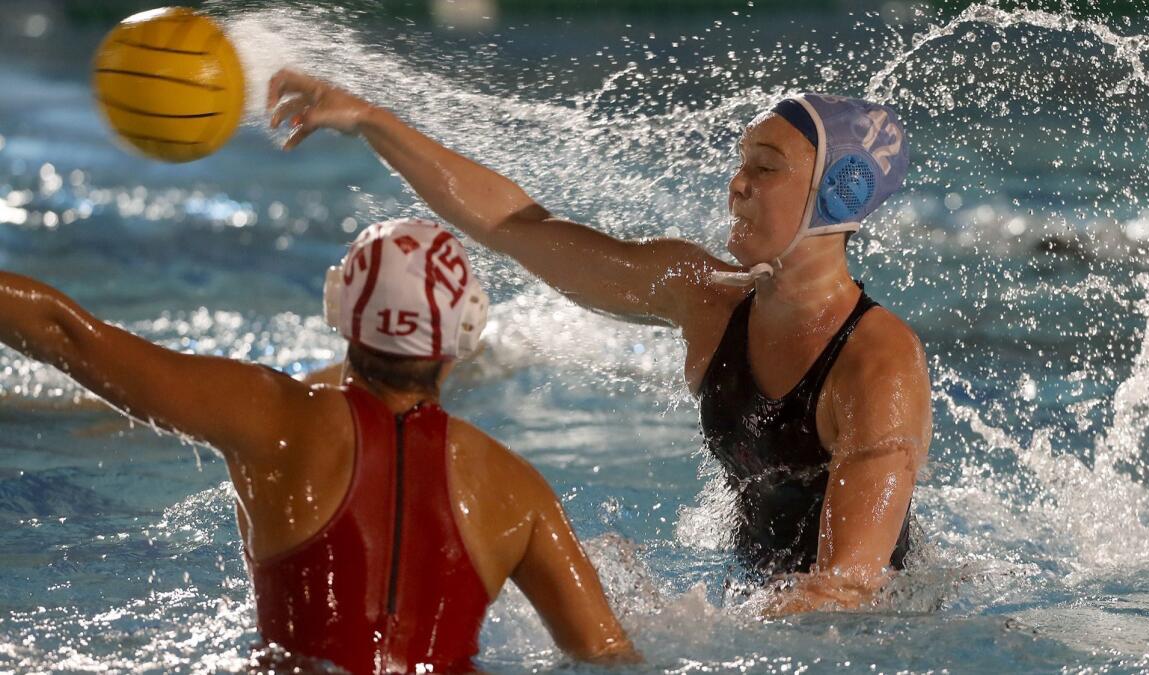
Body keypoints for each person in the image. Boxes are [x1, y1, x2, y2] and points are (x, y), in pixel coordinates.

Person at [267, 70, 933, 615]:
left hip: (872, 641)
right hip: (762, 611)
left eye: (765, 168)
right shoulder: (705, 299)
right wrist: (372, 121)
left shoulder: (878, 365)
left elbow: (847, 590)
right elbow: (519, 227)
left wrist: (690, 640)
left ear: (837, 198)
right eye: (740, 163)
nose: (737, 183)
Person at [0, 217, 636, 672]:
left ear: (340, 309)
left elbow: (67, 335)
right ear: (466, 331)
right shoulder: (518, 491)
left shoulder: (272, 419)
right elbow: (610, 656)